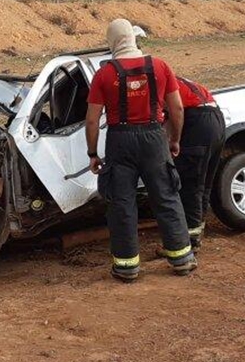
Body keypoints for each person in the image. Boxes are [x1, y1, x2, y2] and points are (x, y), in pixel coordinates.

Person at [86, 19, 197, 281]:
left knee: (122, 203)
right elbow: (177, 109)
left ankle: (127, 267)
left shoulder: (104, 74)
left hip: (120, 141)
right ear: (133, 38)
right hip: (154, 138)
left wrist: (92, 153)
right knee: (167, 197)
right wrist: (174, 140)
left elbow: (91, 120)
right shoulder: (160, 66)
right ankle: (181, 258)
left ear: (112, 41)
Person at [174, 77, 225, 252]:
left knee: (190, 185)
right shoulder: (174, 78)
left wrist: (172, 141)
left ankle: (189, 242)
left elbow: (175, 110)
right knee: (203, 184)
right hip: (216, 118)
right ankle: (196, 233)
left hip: (196, 122)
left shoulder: (155, 82)